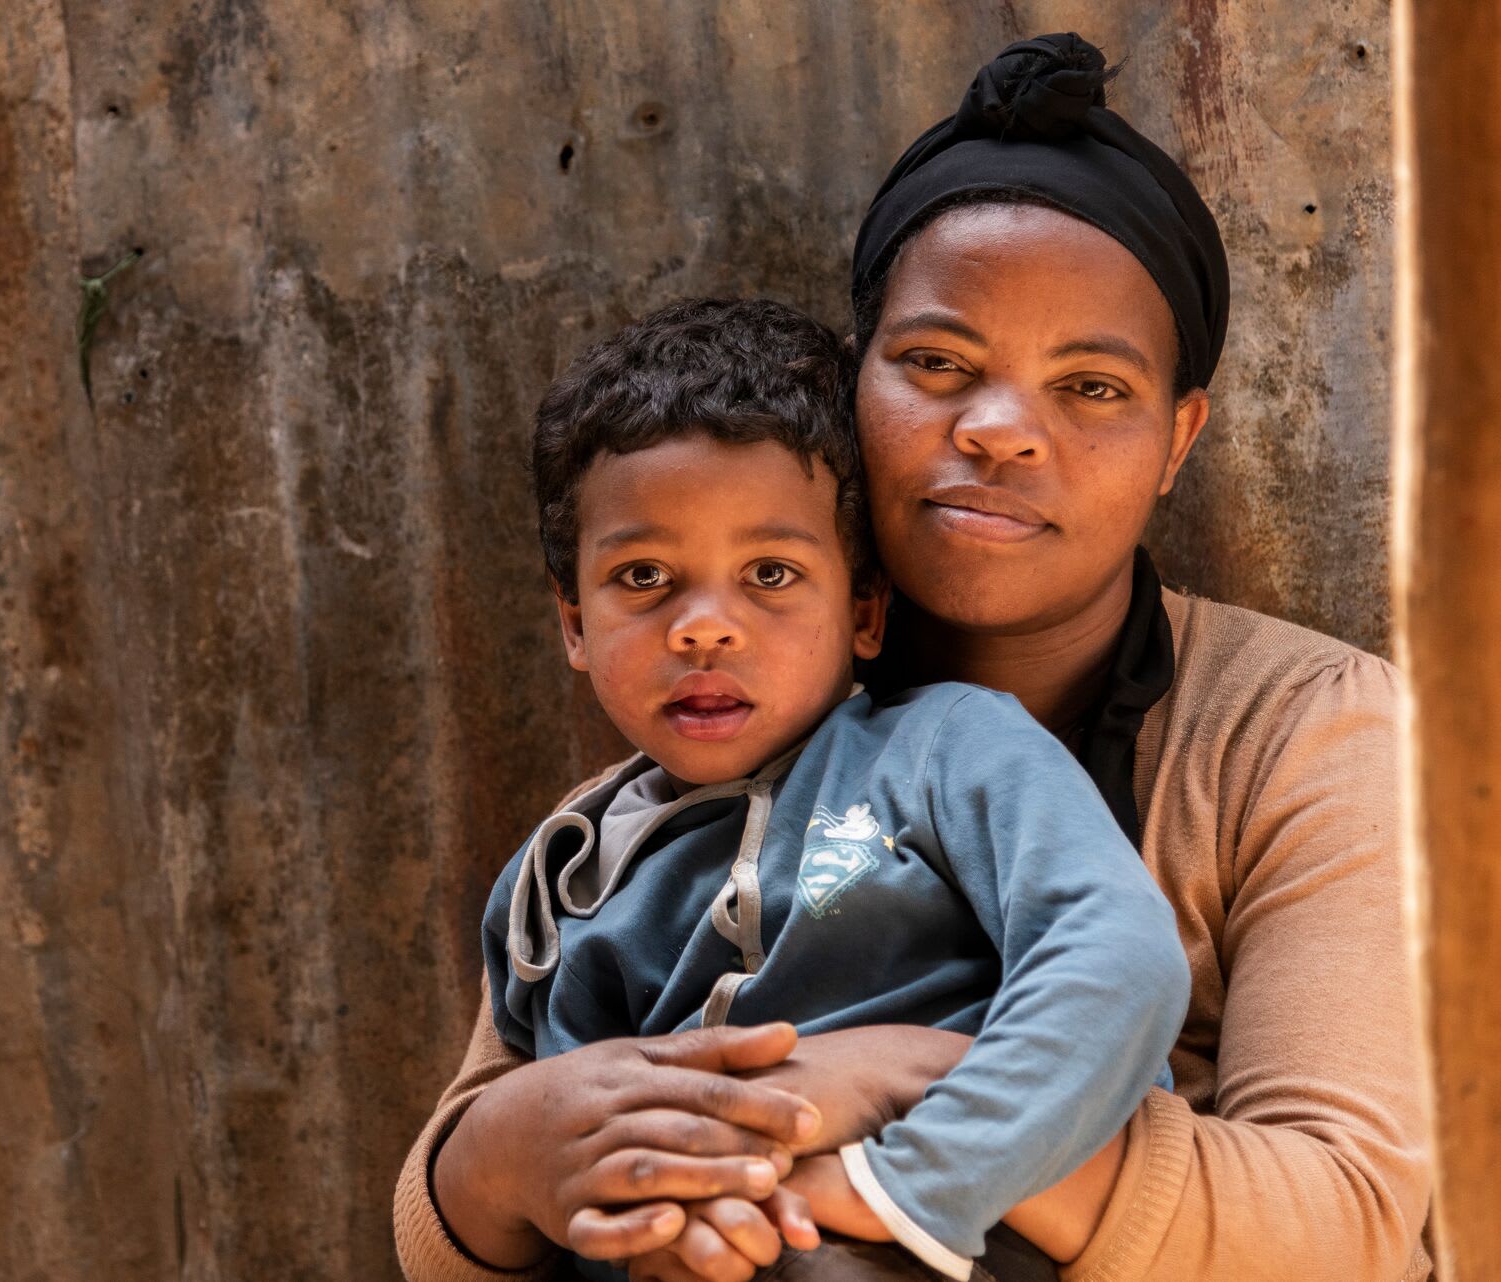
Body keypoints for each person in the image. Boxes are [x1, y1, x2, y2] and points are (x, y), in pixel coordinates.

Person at [395, 32, 1430, 1282]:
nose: (998, 432)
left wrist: (910, 1094)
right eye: (936, 364)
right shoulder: (699, 744)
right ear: (854, 387)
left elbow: (1352, 1224)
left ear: (1178, 437)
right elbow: (465, 1201)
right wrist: (523, 1147)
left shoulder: (1306, 730)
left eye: (1093, 387)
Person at [476, 296, 1188, 1281]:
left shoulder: (946, 751)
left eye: (769, 571)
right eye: (644, 576)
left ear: (863, 609)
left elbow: (1121, 965)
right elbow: (565, 1149)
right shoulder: (556, 882)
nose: (703, 627)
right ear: (573, 622)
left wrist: (899, 1186)